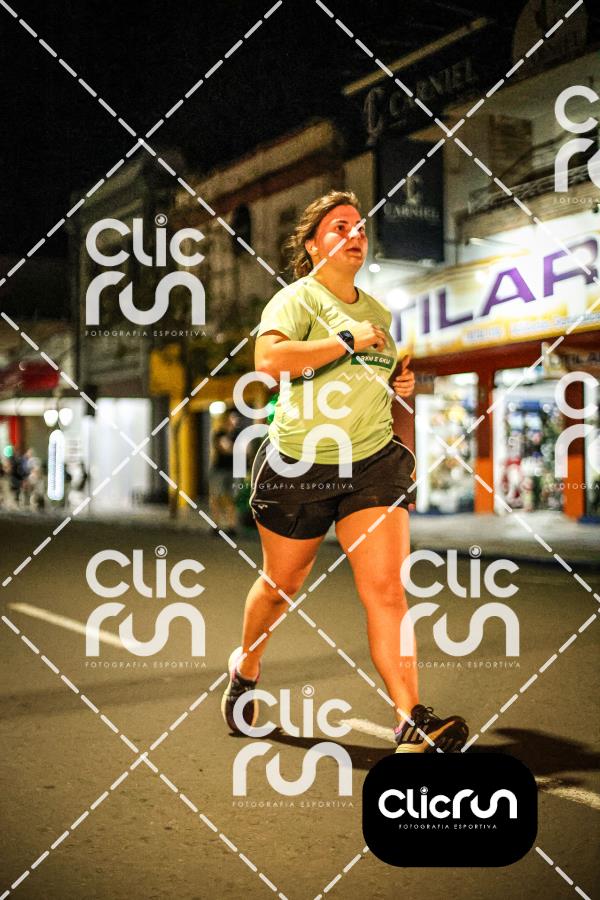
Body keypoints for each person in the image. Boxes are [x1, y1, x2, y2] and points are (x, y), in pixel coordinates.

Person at [221, 190, 468, 753]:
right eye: (340, 227)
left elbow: (373, 373)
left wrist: (398, 382)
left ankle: (410, 719)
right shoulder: (296, 300)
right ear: (312, 246)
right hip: (300, 464)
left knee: (387, 592)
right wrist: (346, 341)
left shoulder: (378, 311)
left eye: (359, 226)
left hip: (371, 462)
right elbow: (268, 362)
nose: (355, 234)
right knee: (281, 586)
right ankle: (246, 667)